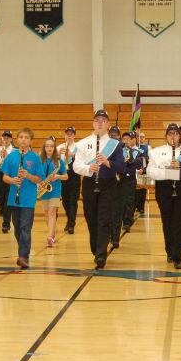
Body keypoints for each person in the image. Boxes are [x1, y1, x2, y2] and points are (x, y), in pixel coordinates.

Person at [73, 110, 125, 269]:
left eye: (104, 120)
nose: (100, 123)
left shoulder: (116, 144)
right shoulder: (82, 143)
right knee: (91, 218)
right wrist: (89, 168)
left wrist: (108, 163)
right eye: (97, 120)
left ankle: (101, 254)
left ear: (108, 124)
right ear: (93, 123)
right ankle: (96, 249)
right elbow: (76, 166)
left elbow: (121, 166)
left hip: (108, 184)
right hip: (89, 183)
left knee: (104, 219)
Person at [147, 123, 181, 269]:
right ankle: (170, 251)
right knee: (167, 222)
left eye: (175, 134)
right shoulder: (156, 152)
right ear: (166, 136)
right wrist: (167, 172)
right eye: (170, 134)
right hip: (164, 189)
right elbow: (150, 171)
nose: (173, 136)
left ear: (180, 136)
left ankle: (178, 256)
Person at [1, 128, 43, 269]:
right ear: (17, 139)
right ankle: (23, 251)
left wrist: (28, 176)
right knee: (17, 229)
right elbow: (4, 177)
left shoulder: (35, 158)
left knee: (25, 227)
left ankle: (23, 256)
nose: (23, 139)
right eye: (21, 137)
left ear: (31, 141)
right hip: (14, 198)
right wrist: (12, 180)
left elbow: (39, 179)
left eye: (26, 137)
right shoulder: (11, 156)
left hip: (28, 199)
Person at [38, 136, 67, 247]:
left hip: (55, 190)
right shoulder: (40, 160)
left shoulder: (59, 161)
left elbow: (66, 176)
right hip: (44, 189)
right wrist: (39, 183)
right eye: (47, 146)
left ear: (54, 148)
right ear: (44, 148)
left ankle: (49, 237)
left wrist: (58, 176)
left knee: (51, 212)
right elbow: (37, 175)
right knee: (46, 214)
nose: (49, 148)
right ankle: (53, 233)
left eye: (51, 146)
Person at [119, 131, 143, 235]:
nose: (126, 141)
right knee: (120, 201)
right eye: (124, 139)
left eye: (128, 139)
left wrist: (131, 160)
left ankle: (127, 222)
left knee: (129, 201)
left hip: (130, 179)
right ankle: (119, 221)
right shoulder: (118, 152)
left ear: (132, 140)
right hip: (120, 180)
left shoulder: (135, 152)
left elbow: (139, 163)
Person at [0, 130, 15, 234]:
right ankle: (3, 209)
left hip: (9, 175)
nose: (6, 139)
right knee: (0, 197)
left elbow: (14, 165)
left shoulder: (15, 151)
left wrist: (7, 156)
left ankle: (6, 223)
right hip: (0, 174)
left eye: (8, 137)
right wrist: (1, 157)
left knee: (7, 200)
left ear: (11, 139)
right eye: (4, 137)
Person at [58, 127, 80, 234]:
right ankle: (69, 219)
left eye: (71, 134)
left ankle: (72, 223)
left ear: (74, 135)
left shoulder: (78, 147)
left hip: (74, 175)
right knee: (65, 201)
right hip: (63, 175)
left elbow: (84, 159)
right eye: (67, 134)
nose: (69, 136)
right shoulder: (59, 147)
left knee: (73, 200)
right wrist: (57, 155)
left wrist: (73, 155)